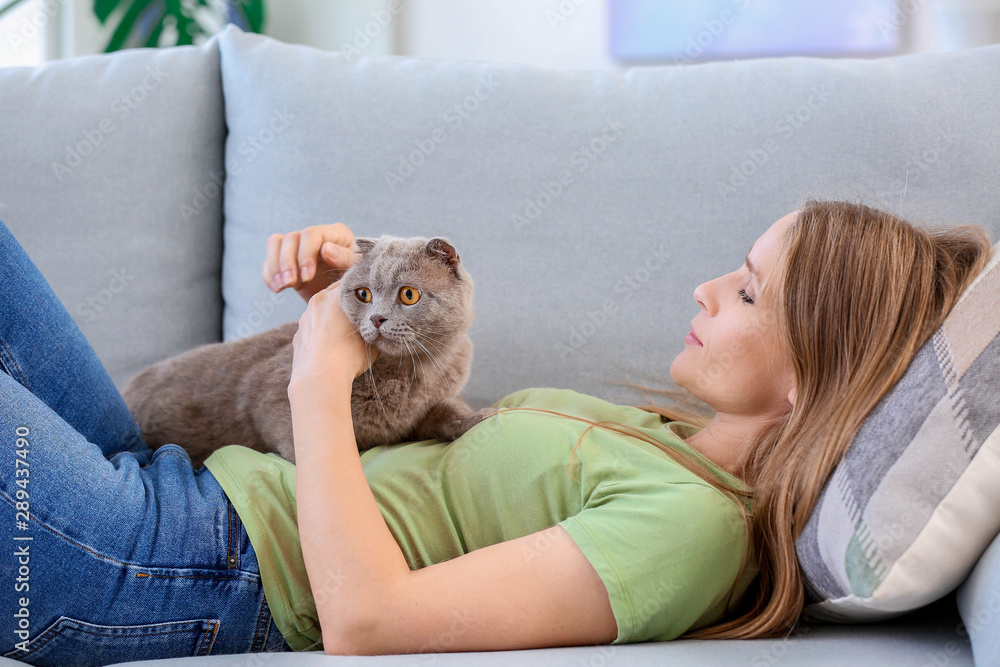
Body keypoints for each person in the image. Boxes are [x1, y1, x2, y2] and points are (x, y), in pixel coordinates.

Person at [0, 199, 991, 664]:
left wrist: (317, 375)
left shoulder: (693, 530)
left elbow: (366, 621)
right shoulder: (658, 439)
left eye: (743, 290)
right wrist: (338, 317)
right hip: (174, 479)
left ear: (809, 378)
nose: (703, 288)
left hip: (168, 561)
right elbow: (408, 472)